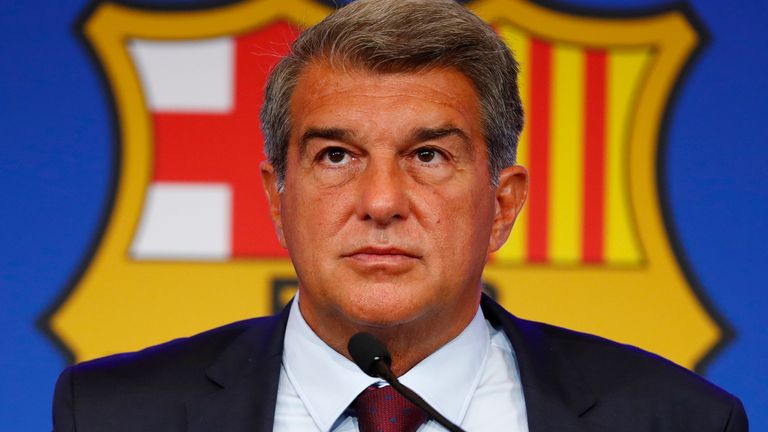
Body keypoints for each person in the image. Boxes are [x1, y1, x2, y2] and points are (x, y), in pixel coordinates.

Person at [53, 0, 748, 431]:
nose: (381, 202)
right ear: (276, 197)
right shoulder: (113, 414)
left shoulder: (674, 419)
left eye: (427, 155)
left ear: (502, 204)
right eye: (334, 156)